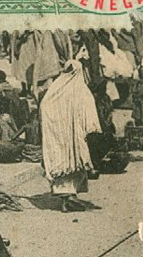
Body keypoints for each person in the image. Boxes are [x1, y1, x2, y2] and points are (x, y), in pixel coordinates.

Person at [40, 58, 102, 211]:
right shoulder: (81, 90)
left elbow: (44, 107)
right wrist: (91, 128)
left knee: (61, 166)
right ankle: (70, 199)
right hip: (74, 136)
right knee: (75, 164)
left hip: (57, 137)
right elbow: (90, 112)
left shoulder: (55, 89)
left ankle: (66, 200)